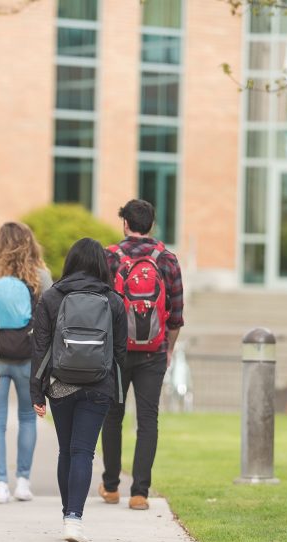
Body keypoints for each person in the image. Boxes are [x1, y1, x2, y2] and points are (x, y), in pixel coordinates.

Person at [31, 238, 126, 542]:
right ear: (102, 263)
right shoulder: (113, 301)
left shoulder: (51, 297)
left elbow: (40, 348)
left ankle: (66, 514)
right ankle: (75, 518)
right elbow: (121, 352)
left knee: (66, 450)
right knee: (84, 451)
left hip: (61, 385)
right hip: (99, 386)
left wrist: (37, 391)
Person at [100, 199, 184, 511]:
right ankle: (140, 493)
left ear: (125, 224)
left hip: (117, 351)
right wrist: (169, 347)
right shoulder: (167, 259)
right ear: (151, 225)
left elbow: (100, 303)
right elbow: (176, 312)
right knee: (148, 419)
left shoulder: (110, 256)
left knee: (113, 415)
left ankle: (110, 486)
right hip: (154, 352)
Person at [0, 221, 52, 504]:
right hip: (29, 358)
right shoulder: (41, 276)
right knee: (27, 419)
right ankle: (23, 481)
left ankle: (0, 484)